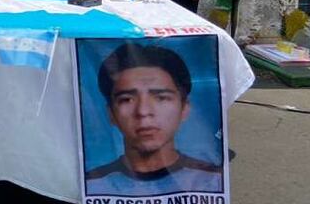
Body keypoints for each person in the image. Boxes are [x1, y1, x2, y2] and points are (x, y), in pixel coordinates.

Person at [86, 42, 223, 195]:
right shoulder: (91, 186)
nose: (143, 111)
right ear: (111, 113)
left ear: (184, 108)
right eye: (127, 99)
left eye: (161, 98)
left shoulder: (213, 181)